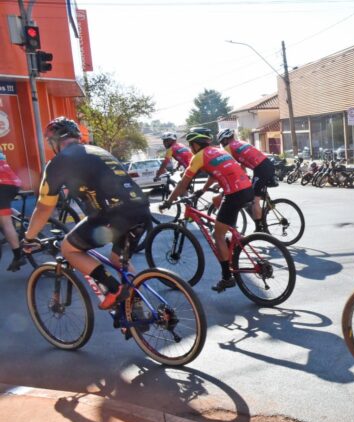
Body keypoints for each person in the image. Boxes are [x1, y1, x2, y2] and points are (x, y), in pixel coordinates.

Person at [23, 117, 151, 309]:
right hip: (141, 209)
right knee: (119, 260)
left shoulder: (58, 162)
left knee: (69, 249)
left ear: (54, 143)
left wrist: (29, 237)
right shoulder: (99, 151)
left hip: (111, 214)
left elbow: (44, 207)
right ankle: (137, 307)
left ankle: (113, 288)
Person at [163, 127, 254, 292]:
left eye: (191, 145)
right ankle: (233, 243)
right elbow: (215, 173)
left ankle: (227, 277)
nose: (190, 148)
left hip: (234, 193)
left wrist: (169, 201)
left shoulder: (198, 157)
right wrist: (202, 190)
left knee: (216, 234)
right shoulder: (219, 152)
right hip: (247, 189)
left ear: (196, 145)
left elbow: (183, 183)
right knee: (223, 221)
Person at [217, 128, 275, 232]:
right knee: (255, 187)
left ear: (225, 140)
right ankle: (269, 202)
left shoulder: (228, 148)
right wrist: (244, 176)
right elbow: (242, 163)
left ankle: (259, 228)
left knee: (254, 200)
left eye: (221, 142)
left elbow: (226, 165)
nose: (222, 145)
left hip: (261, 169)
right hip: (266, 165)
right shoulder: (241, 143)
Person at [0, 150, 25, 271]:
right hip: (10, 182)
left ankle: (18, 256)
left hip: (3, 184)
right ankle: (22, 220)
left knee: (5, 223)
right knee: (3, 209)